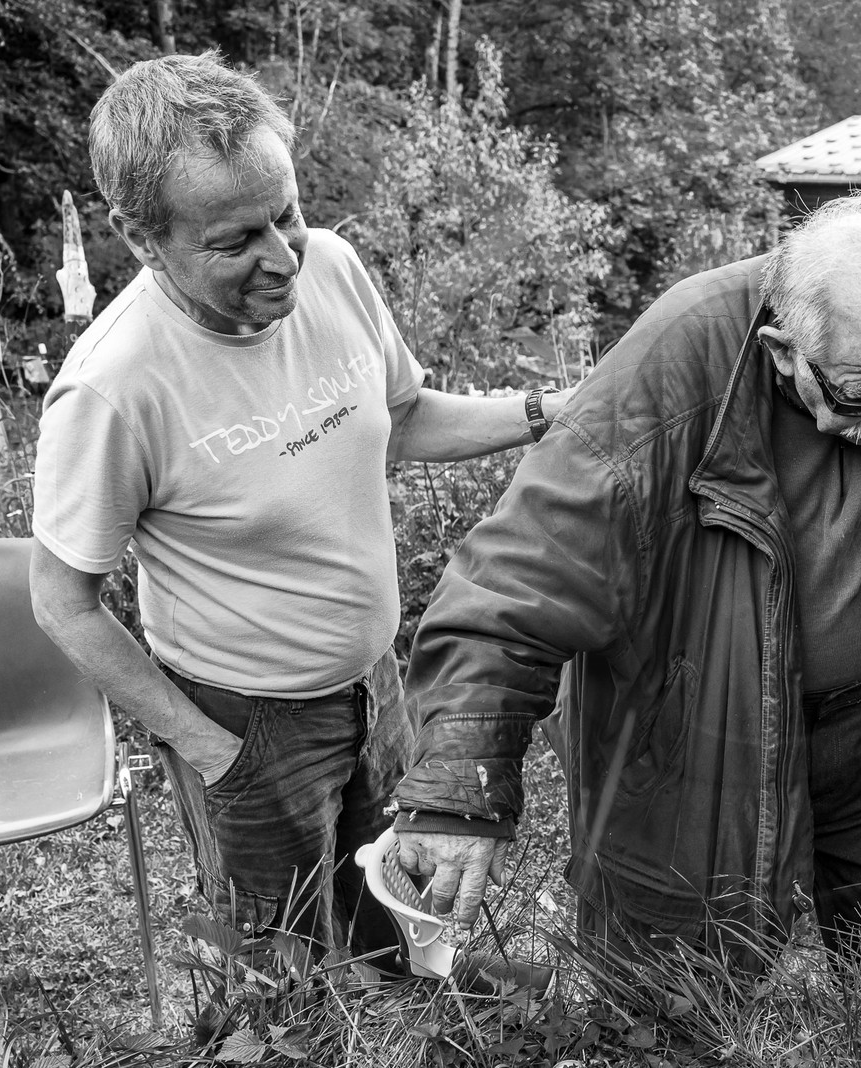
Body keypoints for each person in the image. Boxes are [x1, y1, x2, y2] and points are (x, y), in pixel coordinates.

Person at [29, 51, 567, 967]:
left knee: (382, 893)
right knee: (277, 962)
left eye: (287, 215)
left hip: (373, 681)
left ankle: (400, 1003)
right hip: (246, 719)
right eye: (236, 241)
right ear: (140, 234)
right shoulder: (113, 387)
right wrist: (205, 747)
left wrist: (546, 413)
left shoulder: (335, 270)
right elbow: (62, 601)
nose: (283, 259)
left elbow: (400, 419)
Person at [387, 190, 861, 970]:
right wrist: (458, 790)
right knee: (676, 999)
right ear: (783, 350)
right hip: (695, 736)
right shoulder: (670, 368)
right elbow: (515, 585)